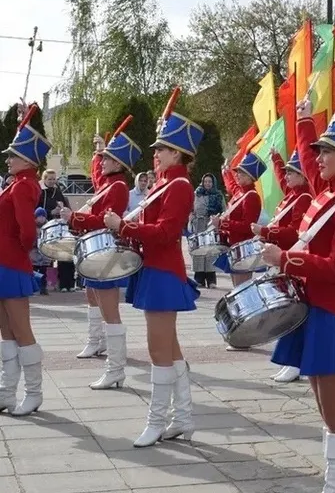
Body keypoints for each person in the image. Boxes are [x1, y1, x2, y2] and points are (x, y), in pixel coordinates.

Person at [263, 96, 335, 492]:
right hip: (313, 309)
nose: (318, 156)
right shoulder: (326, 194)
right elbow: (307, 160)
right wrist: (304, 119)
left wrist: (287, 261)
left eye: (328, 151)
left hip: (334, 312)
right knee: (323, 408)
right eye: (320, 150)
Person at [104, 108, 202, 448]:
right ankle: (184, 417)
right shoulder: (164, 183)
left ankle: (157, 421)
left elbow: (166, 232)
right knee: (170, 349)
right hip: (153, 270)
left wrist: (125, 226)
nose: (154, 153)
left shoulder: (179, 185)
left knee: (157, 351)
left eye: (160, 148)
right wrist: (126, 234)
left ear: (176, 152)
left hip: (163, 273)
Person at [61, 130, 141, 390]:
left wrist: (74, 218)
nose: (103, 162)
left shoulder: (118, 187)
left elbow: (107, 219)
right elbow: (97, 177)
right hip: (95, 250)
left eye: (107, 159)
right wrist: (99, 150)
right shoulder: (109, 182)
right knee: (92, 297)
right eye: (103, 159)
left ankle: (115, 368)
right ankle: (96, 341)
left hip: (106, 251)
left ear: (118, 164)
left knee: (111, 312)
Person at [0, 113, 51, 416]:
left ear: (28, 160)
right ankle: (7, 392)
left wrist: (16, 251)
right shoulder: (16, 182)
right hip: (4, 261)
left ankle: (34, 393)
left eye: (14, 155)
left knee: (22, 330)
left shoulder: (22, 185)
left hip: (12, 263)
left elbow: (27, 232)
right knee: (6, 331)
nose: (8, 159)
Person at [252, 147, 312, 383]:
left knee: (292, 311)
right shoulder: (292, 195)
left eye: (292, 172)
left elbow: (295, 233)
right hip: (282, 259)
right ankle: (290, 360)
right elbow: (279, 176)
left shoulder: (305, 197)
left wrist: (266, 231)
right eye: (286, 172)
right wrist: (276, 158)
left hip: (291, 258)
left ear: (303, 175)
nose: (286, 176)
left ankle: (296, 361)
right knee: (284, 312)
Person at [212, 152, 265, 289]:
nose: (237, 175)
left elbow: (248, 226)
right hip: (233, 245)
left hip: (243, 248)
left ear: (250, 177)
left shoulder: (251, 196)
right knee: (236, 287)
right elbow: (231, 185)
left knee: (241, 288)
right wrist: (225, 172)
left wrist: (223, 223)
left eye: (241, 173)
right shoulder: (240, 192)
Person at [39, 170, 75, 292]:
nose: (52, 181)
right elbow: (36, 209)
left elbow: (65, 207)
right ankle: (44, 284)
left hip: (58, 226)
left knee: (63, 253)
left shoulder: (58, 192)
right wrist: (50, 212)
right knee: (44, 257)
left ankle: (66, 283)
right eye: (49, 179)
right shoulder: (40, 192)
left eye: (54, 179)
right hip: (43, 226)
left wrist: (62, 210)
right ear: (44, 180)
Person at [190, 173, 225, 288]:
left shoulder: (218, 195)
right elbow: (191, 208)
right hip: (199, 225)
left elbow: (223, 211)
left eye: (209, 182)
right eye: (205, 182)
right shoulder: (197, 193)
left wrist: (218, 221)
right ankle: (199, 278)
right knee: (199, 252)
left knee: (211, 252)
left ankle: (211, 280)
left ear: (213, 183)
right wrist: (191, 217)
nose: (207, 184)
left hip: (211, 226)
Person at [30, 208, 51, 296]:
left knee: (43, 272)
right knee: (33, 271)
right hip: (34, 252)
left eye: (43, 216)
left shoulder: (48, 226)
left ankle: (43, 287)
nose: (41, 218)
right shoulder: (31, 226)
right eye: (39, 217)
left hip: (44, 252)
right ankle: (33, 287)